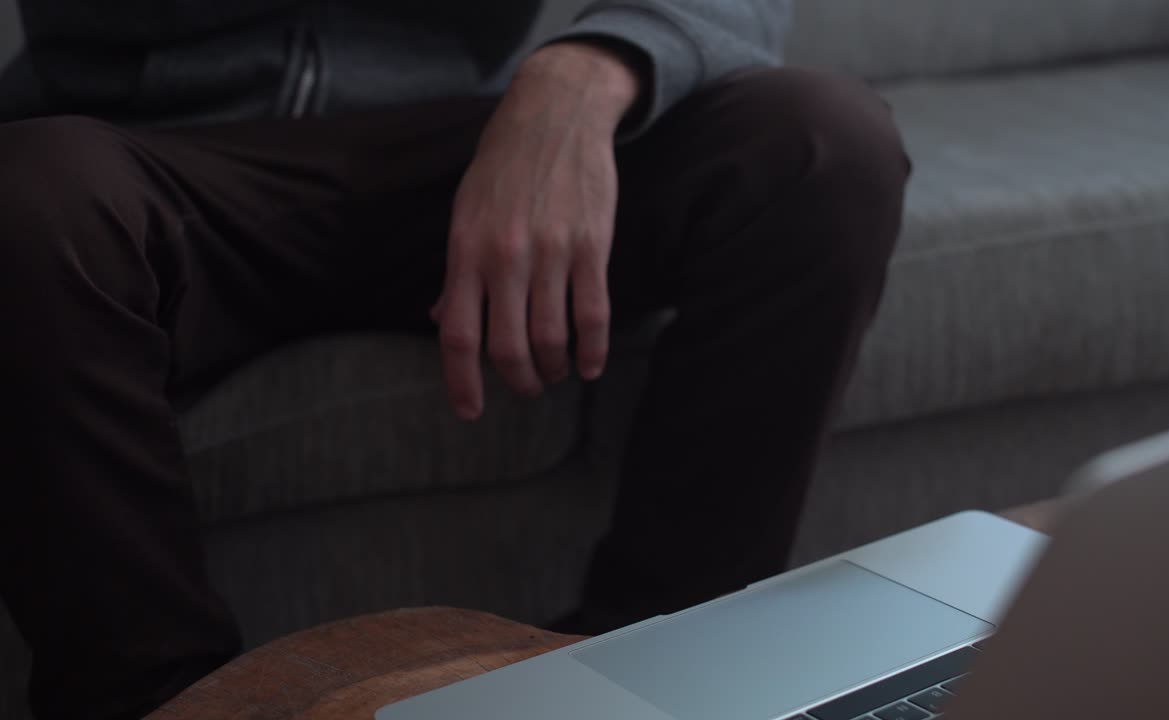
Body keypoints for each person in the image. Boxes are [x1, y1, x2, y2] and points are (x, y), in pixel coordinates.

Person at [0, 1, 910, 718]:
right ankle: (165, 707)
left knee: (822, 144)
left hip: (463, 137)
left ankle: (661, 679)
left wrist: (581, 74)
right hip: (153, 154)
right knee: (28, 202)